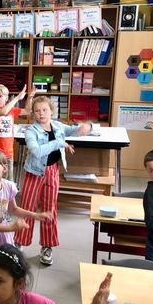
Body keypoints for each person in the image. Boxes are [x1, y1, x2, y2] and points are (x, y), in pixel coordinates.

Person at [15, 96, 91, 266]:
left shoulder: (57, 126)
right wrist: (59, 143)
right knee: (28, 208)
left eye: (45, 110)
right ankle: (19, 242)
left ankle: (47, 246)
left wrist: (86, 127)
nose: (41, 113)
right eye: (37, 111)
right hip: (34, 173)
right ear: (33, 113)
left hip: (52, 172)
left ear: (51, 111)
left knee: (50, 209)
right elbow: (36, 152)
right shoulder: (31, 131)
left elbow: (74, 130)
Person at [0, 149, 52, 288]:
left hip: (3, 236)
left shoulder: (8, 186)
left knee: (3, 270)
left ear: (4, 168)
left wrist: (36, 215)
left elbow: (13, 209)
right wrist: (11, 227)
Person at [0, 84, 34, 180]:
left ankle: (8, 195)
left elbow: (27, 111)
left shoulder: (12, 110)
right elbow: (3, 112)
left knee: (8, 181)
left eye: (0, 96)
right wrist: (17, 98)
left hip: (7, 152)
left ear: (6, 98)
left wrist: (30, 98)